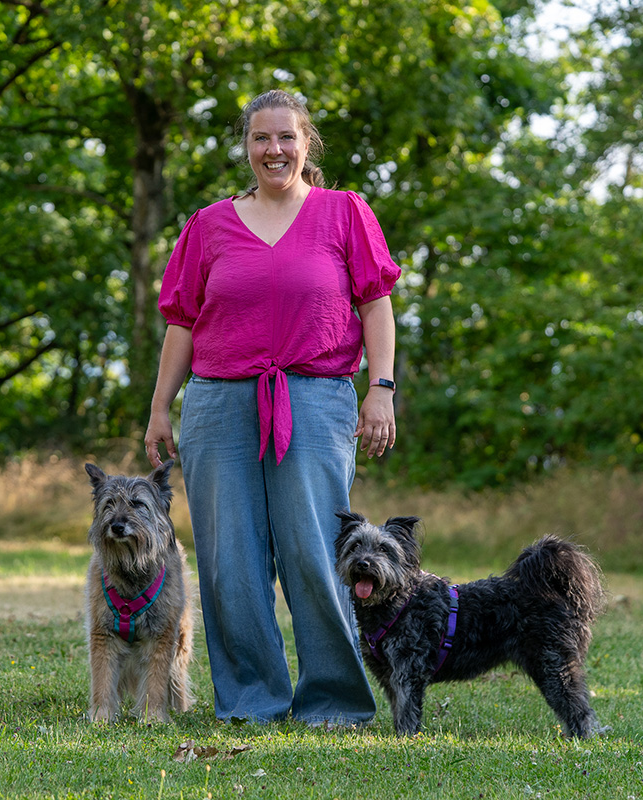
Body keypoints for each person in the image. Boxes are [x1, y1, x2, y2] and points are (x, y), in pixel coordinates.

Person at [144, 89, 400, 726]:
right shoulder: (208, 225)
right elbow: (181, 322)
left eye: (286, 137)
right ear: (247, 147)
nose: (273, 149)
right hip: (217, 404)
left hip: (315, 400)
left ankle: (334, 701)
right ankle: (252, 700)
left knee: (315, 551)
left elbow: (375, 304)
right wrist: (159, 410)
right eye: (261, 138)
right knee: (230, 557)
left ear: (306, 143)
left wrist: (382, 387)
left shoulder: (345, 213)